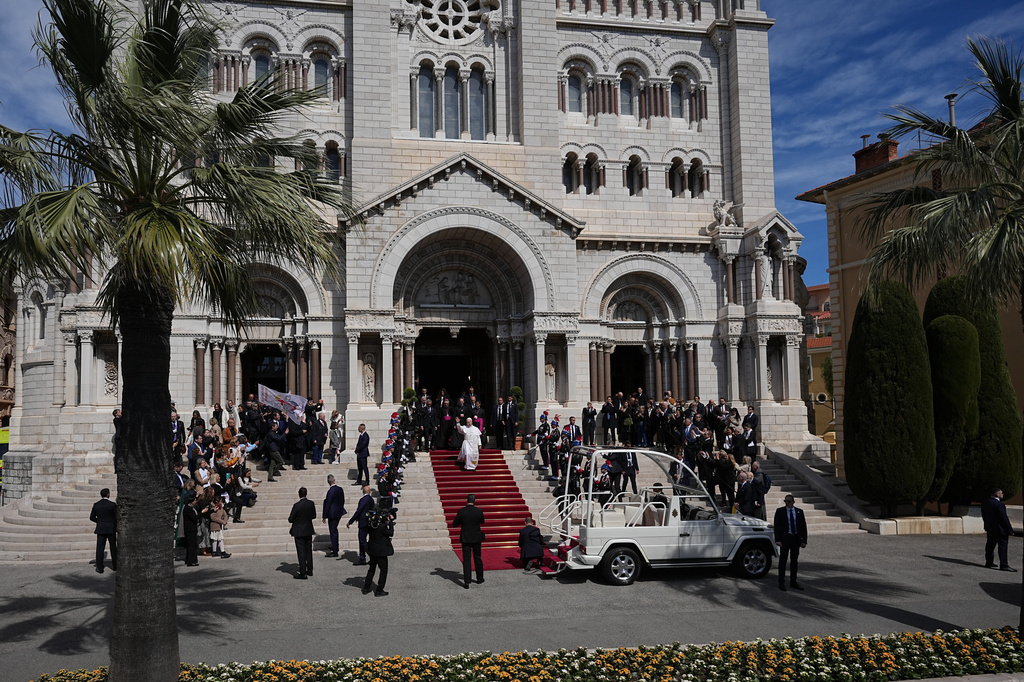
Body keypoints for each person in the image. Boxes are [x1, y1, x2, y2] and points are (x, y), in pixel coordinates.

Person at [774, 494, 808, 590]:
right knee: (783, 561)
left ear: (793, 502)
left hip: (795, 539)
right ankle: (781, 582)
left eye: (789, 501)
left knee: (794, 561)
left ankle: (793, 581)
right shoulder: (780, 511)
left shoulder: (799, 512)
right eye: (785, 501)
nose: (787, 503)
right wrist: (778, 540)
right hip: (785, 539)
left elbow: (803, 527)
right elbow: (777, 527)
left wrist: (804, 540)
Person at [453, 493, 486, 588]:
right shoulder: (479, 511)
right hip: (476, 537)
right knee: (477, 557)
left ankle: (467, 581)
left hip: (466, 537)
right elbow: (482, 521)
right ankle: (479, 578)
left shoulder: (462, 511)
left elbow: (455, 524)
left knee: (467, 559)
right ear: (474, 501)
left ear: (466, 500)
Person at [362, 502, 395, 597]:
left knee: (372, 569)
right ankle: (379, 589)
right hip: (381, 551)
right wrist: (391, 522)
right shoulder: (382, 526)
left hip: (372, 550)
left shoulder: (370, 525)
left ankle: (366, 587)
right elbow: (391, 533)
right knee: (383, 570)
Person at [981, 488, 1017, 572]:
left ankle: (989, 562)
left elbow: (984, 516)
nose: (1003, 494)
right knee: (1002, 547)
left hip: (990, 528)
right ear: (997, 494)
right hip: (1000, 530)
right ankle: (1004, 565)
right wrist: (1010, 529)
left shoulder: (985, 503)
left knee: (990, 545)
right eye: (1001, 493)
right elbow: (1004, 518)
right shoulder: (999, 505)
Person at [288, 487, 317, 579]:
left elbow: (291, 519)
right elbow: (314, 515)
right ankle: (310, 570)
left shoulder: (297, 505)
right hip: (308, 529)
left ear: (299, 494)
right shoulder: (311, 503)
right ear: (306, 494)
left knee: (301, 552)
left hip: (299, 531)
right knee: (308, 551)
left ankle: (303, 573)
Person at [90, 488, 117, 574]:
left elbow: (92, 517)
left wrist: (100, 522)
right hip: (111, 528)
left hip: (101, 529)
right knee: (113, 548)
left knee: (100, 549)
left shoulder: (96, 505)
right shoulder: (112, 505)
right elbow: (116, 516)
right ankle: (115, 566)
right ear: (108, 494)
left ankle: (99, 567)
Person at [347, 485, 374, 565]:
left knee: (362, 540)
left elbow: (359, 511)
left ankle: (365, 557)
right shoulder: (371, 500)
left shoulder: (363, 500)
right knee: (365, 540)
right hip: (369, 521)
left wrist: (350, 521)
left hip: (363, 522)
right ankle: (367, 557)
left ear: (363, 492)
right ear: (370, 492)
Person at [322, 474, 347, 557]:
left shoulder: (331, 491)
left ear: (328, 482)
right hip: (339, 511)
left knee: (333, 531)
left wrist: (324, 516)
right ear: (334, 480)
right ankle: (335, 546)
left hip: (332, 513)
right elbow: (343, 500)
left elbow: (328, 503)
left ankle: (335, 551)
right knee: (334, 530)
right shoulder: (340, 489)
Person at [182, 491, 200, 567]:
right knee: (191, 545)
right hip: (190, 529)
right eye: (194, 500)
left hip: (192, 528)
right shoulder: (188, 508)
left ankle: (189, 559)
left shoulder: (190, 508)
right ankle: (191, 561)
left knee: (192, 545)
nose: (195, 501)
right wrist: (202, 512)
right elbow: (194, 517)